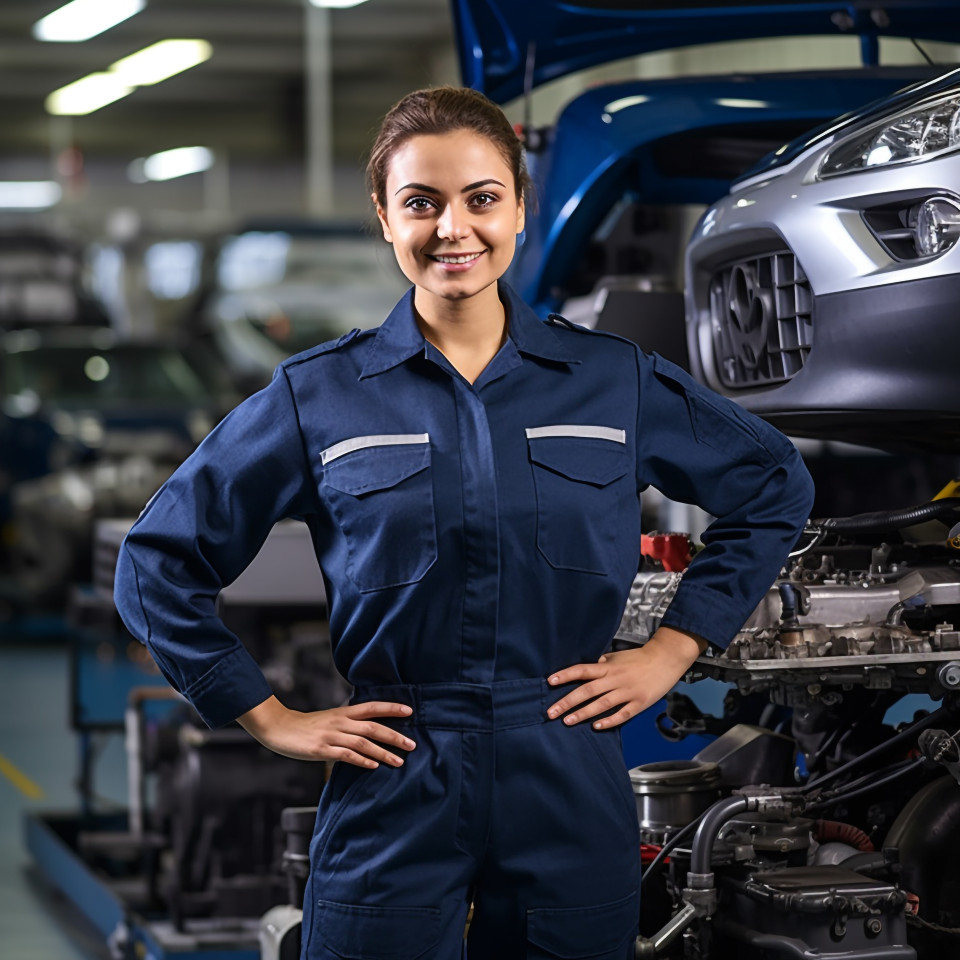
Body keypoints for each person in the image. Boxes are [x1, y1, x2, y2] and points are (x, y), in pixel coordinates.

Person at [115, 85, 815, 960]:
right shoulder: (319, 394)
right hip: (396, 770)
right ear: (384, 217)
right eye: (421, 203)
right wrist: (266, 715)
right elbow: (154, 563)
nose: (455, 228)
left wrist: (673, 648)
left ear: (520, 207)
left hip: (565, 757)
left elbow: (771, 482)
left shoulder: (611, 381)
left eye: (482, 198)